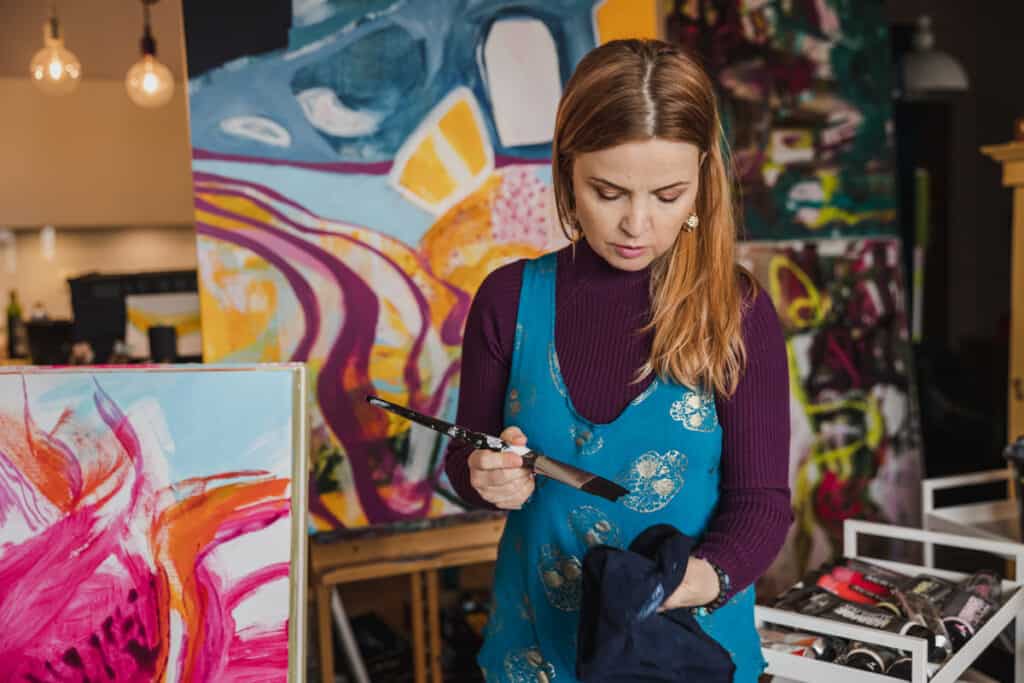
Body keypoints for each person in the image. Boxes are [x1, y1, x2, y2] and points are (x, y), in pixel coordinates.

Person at [444, 39, 792, 682]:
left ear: (702, 182)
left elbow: (762, 501)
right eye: (608, 192)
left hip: (686, 651)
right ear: (568, 171)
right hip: (535, 655)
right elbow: (463, 463)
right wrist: (485, 474)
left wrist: (683, 585)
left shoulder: (736, 309)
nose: (637, 224)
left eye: (668, 195)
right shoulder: (509, 299)